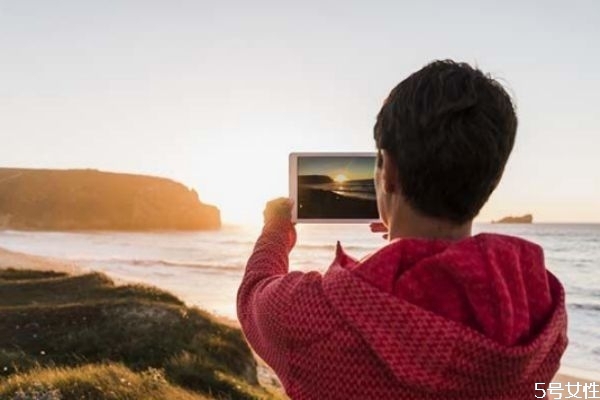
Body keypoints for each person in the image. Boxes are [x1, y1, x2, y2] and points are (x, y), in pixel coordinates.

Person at [237, 60, 567, 399]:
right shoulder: (539, 315)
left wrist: (276, 226)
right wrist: (412, 253)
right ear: (491, 178)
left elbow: (252, 294)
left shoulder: (310, 317)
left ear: (388, 171)